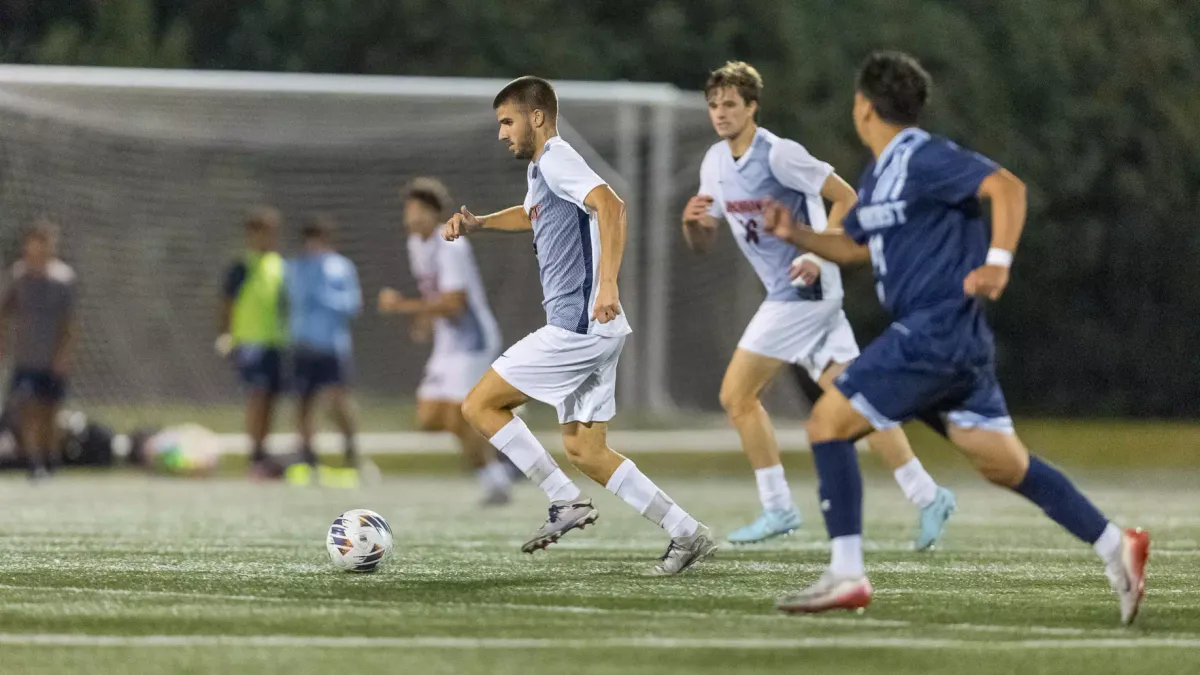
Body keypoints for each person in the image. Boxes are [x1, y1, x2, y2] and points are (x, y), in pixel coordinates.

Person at [766, 51, 1148, 624]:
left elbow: (1008, 189)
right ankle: (1116, 544)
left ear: (863, 106)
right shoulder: (880, 173)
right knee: (1002, 464)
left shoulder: (923, 155)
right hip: (955, 342)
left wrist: (998, 261)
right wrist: (795, 233)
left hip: (934, 330)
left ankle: (846, 573)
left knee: (827, 423)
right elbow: (854, 247)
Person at [445, 75, 716, 574]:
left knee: (479, 404)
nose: (502, 133)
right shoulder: (542, 171)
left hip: (579, 327)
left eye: (508, 121)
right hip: (597, 331)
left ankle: (562, 500)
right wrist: (481, 223)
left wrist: (607, 283)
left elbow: (611, 205)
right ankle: (686, 532)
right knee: (586, 450)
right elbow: (533, 215)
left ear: (538, 117)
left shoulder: (557, 157)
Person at [682, 61, 954, 549]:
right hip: (792, 295)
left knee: (736, 396)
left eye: (730, 104)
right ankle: (928, 495)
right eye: (713, 105)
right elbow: (704, 238)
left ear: (752, 107)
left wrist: (814, 250)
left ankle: (778, 507)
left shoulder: (780, 154)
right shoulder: (714, 164)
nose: (720, 113)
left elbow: (846, 196)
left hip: (803, 292)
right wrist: (692, 224)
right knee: (857, 401)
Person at [378, 177, 512, 505]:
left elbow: (454, 303)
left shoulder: (451, 244)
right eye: (408, 210)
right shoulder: (416, 245)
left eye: (420, 211)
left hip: (473, 342)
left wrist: (402, 307)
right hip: (448, 343)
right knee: (428, 417)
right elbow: (433, 293)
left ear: (436, 214)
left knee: (458, 416)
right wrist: (424, 319)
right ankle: (504, 439)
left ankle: (497, 477)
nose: (411, 218)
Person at [0, 220, 76, 481]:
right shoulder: (18, 276)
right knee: (28, 409)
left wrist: (63, 354)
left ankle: (51, 457)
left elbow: (70, 322)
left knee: (50, 411)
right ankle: (34, 462)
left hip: (51, 357)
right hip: (25, 356)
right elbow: (4, 312)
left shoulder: (63, 278)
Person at [217, 207, 288, 477]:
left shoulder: (280, 266)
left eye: (271, 232)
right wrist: (225, 334)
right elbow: (226, 304)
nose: (267, 237)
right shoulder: (241, 267)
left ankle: (263, 451)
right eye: (261, 232)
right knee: (256, 397)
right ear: (251, 234)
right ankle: (254, 454)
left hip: (276, 343)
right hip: (250, 344)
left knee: (272, 398)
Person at [287, 216, 362, 469]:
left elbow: (353, 305)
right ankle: (308, 457)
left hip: (332, 346)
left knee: (337, 402)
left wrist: (327, 298)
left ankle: (352, 453)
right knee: (304, 403)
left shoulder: (342, 267)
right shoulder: (296, 267)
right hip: (303, 345)